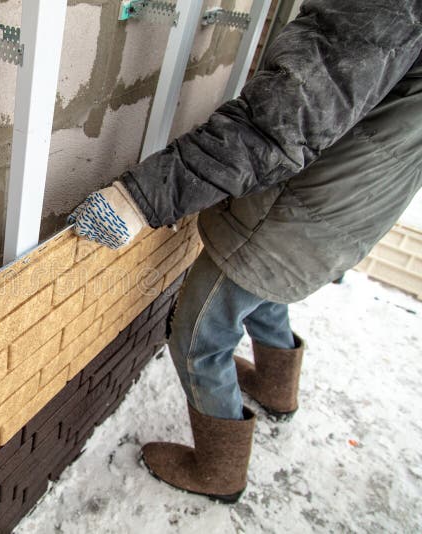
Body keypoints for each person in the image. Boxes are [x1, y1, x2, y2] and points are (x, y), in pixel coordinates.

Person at [69, 0, 422, 503]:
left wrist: (139, 198)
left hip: (300, 207)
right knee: (263, 288)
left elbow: (277, 124)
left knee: (199, 333)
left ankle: (219, 469)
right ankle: (277, 389)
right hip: (351, 206)